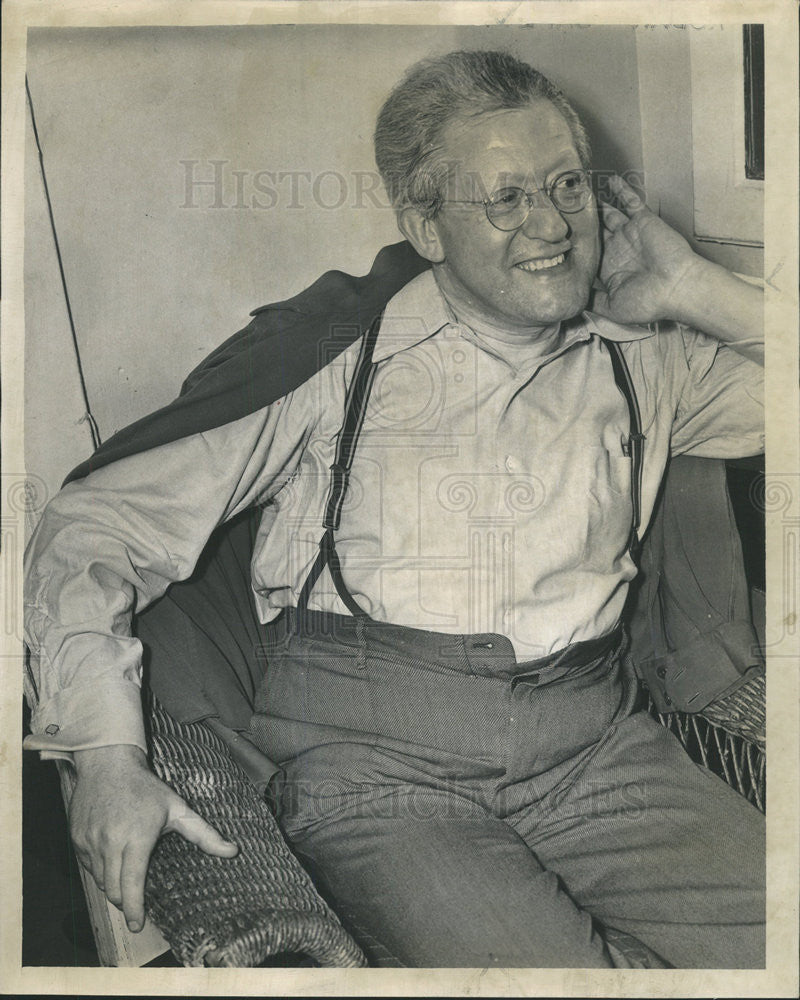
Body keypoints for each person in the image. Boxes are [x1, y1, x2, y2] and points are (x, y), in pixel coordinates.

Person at [24, 50, 765, 968]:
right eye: (504, 198)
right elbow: (93, 529)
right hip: (377, 774)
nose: (552, 223)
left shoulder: (641, 359)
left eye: (567, 184)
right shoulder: (338, 359)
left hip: (597, 750)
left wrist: (694, 286)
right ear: (425, 224)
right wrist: (103, 751)